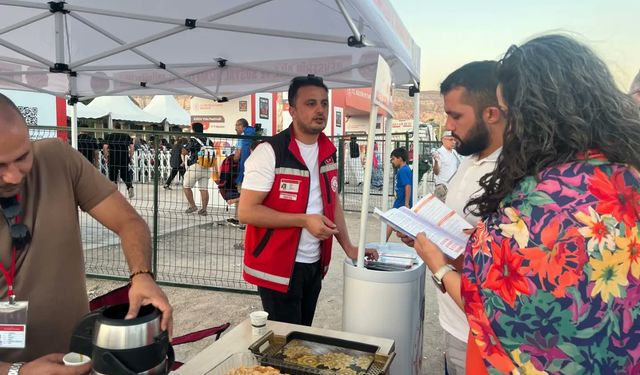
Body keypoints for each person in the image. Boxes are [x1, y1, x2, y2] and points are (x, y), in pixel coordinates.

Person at [411, 35, 640, 374]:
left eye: (509, 112)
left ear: (533, 115)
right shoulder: (627, 177)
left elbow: (490, 309)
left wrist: (440, 264)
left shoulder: (536, 201)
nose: (506, 123)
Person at [0, 93, 172, 374]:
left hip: (79, 360)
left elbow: (128, 222)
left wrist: (142, 275)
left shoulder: (56, 158)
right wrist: (18, 371)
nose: (14, 176)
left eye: (22, 157)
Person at [238, 75, 378, 326]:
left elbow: (331, 201)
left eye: (324, 103)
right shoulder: (270, 152)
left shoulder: (328, 151)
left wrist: (348, 246)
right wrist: (303, 220)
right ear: (292, 110)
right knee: (284, 346)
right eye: (311, 103)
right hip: (277, 267)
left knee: (303, 336)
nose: (320, 110)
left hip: (314, 264)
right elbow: (246, 212)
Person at [419, 60, 505, 375]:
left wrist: (438, 260)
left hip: (478, 333)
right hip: (454, 321)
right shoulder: (469, 159)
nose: (448, 126)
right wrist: (423, 229)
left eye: (456, 115)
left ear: (491, 113)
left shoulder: (511, 175)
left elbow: (497, 275)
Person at [182, 122, 216, 216]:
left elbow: (185, 151)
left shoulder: (193, 139)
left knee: (186, 186)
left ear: (193, 130)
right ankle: (204, 209)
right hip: (207, 167)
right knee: (204, 189)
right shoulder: (209, 140)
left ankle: (193, 206)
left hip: (196, 166)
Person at [386, 147, 412, 241]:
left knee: (390, 221)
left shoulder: (404, 170)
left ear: (400, 158)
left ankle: (383, 242)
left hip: (401, 202)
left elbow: (408, 185)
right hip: (400, 200)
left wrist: (406, 203)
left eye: (393, 159)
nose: (392, 161)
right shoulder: (402, 169)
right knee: (392, 222)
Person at [103, 124, 135, 199]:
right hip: (124, 158)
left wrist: (106, 157)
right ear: (120, 128)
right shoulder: (126, 136)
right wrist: (130, 157)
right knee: (125, 174)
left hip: (113, 158)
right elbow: (132, 147)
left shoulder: (110, 136)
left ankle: (114, 192)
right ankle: (129, 186)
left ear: (113, 128)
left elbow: (105, 147)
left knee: (112, 175)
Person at [432, 131, 460, 202]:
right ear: (443, 140)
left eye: (454, 140)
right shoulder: (439, 153)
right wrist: (436, 161)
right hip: (443, 189)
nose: (453, 142)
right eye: (451, 140)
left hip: (454, 188)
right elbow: (436, 172)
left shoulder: (455, 153)